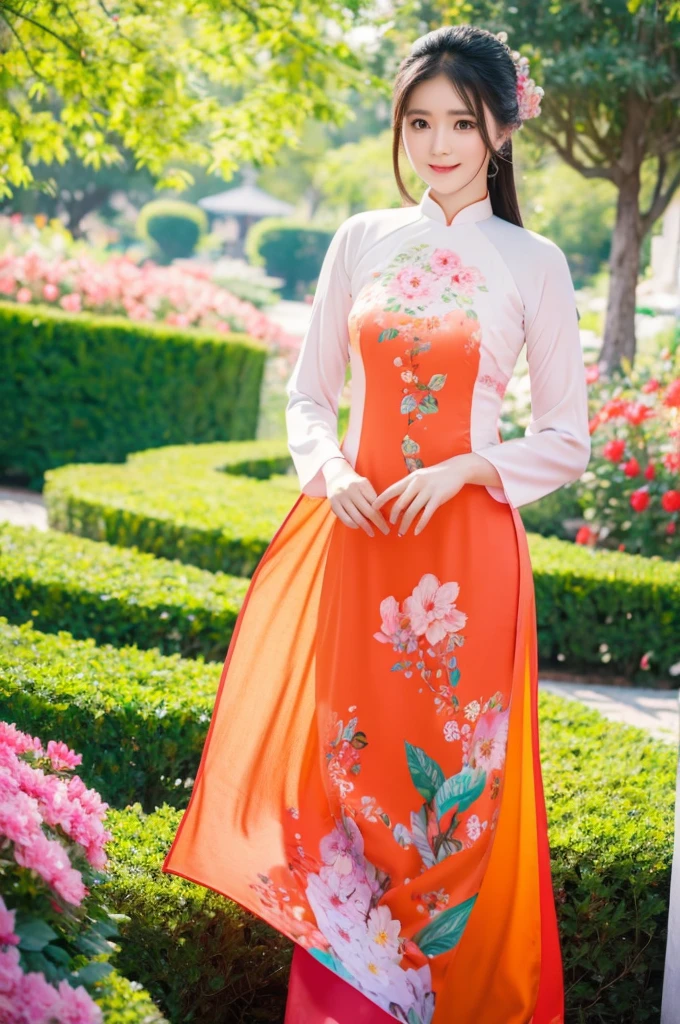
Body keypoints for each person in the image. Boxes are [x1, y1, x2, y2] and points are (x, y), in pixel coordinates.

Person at [162, 23, 591, 1024]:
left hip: (467, 557)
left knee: (452, 793)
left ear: (499, 130)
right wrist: (329, 469)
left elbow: (564, 439)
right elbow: (309, 397)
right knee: (349, 774)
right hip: (360, 547)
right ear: (398, 129)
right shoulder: (359, 238)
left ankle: (453, 1000)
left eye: (459, 123)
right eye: (417, 122)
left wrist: (469, 471)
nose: (437, 145)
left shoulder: (530, 262)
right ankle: (349, 1005)